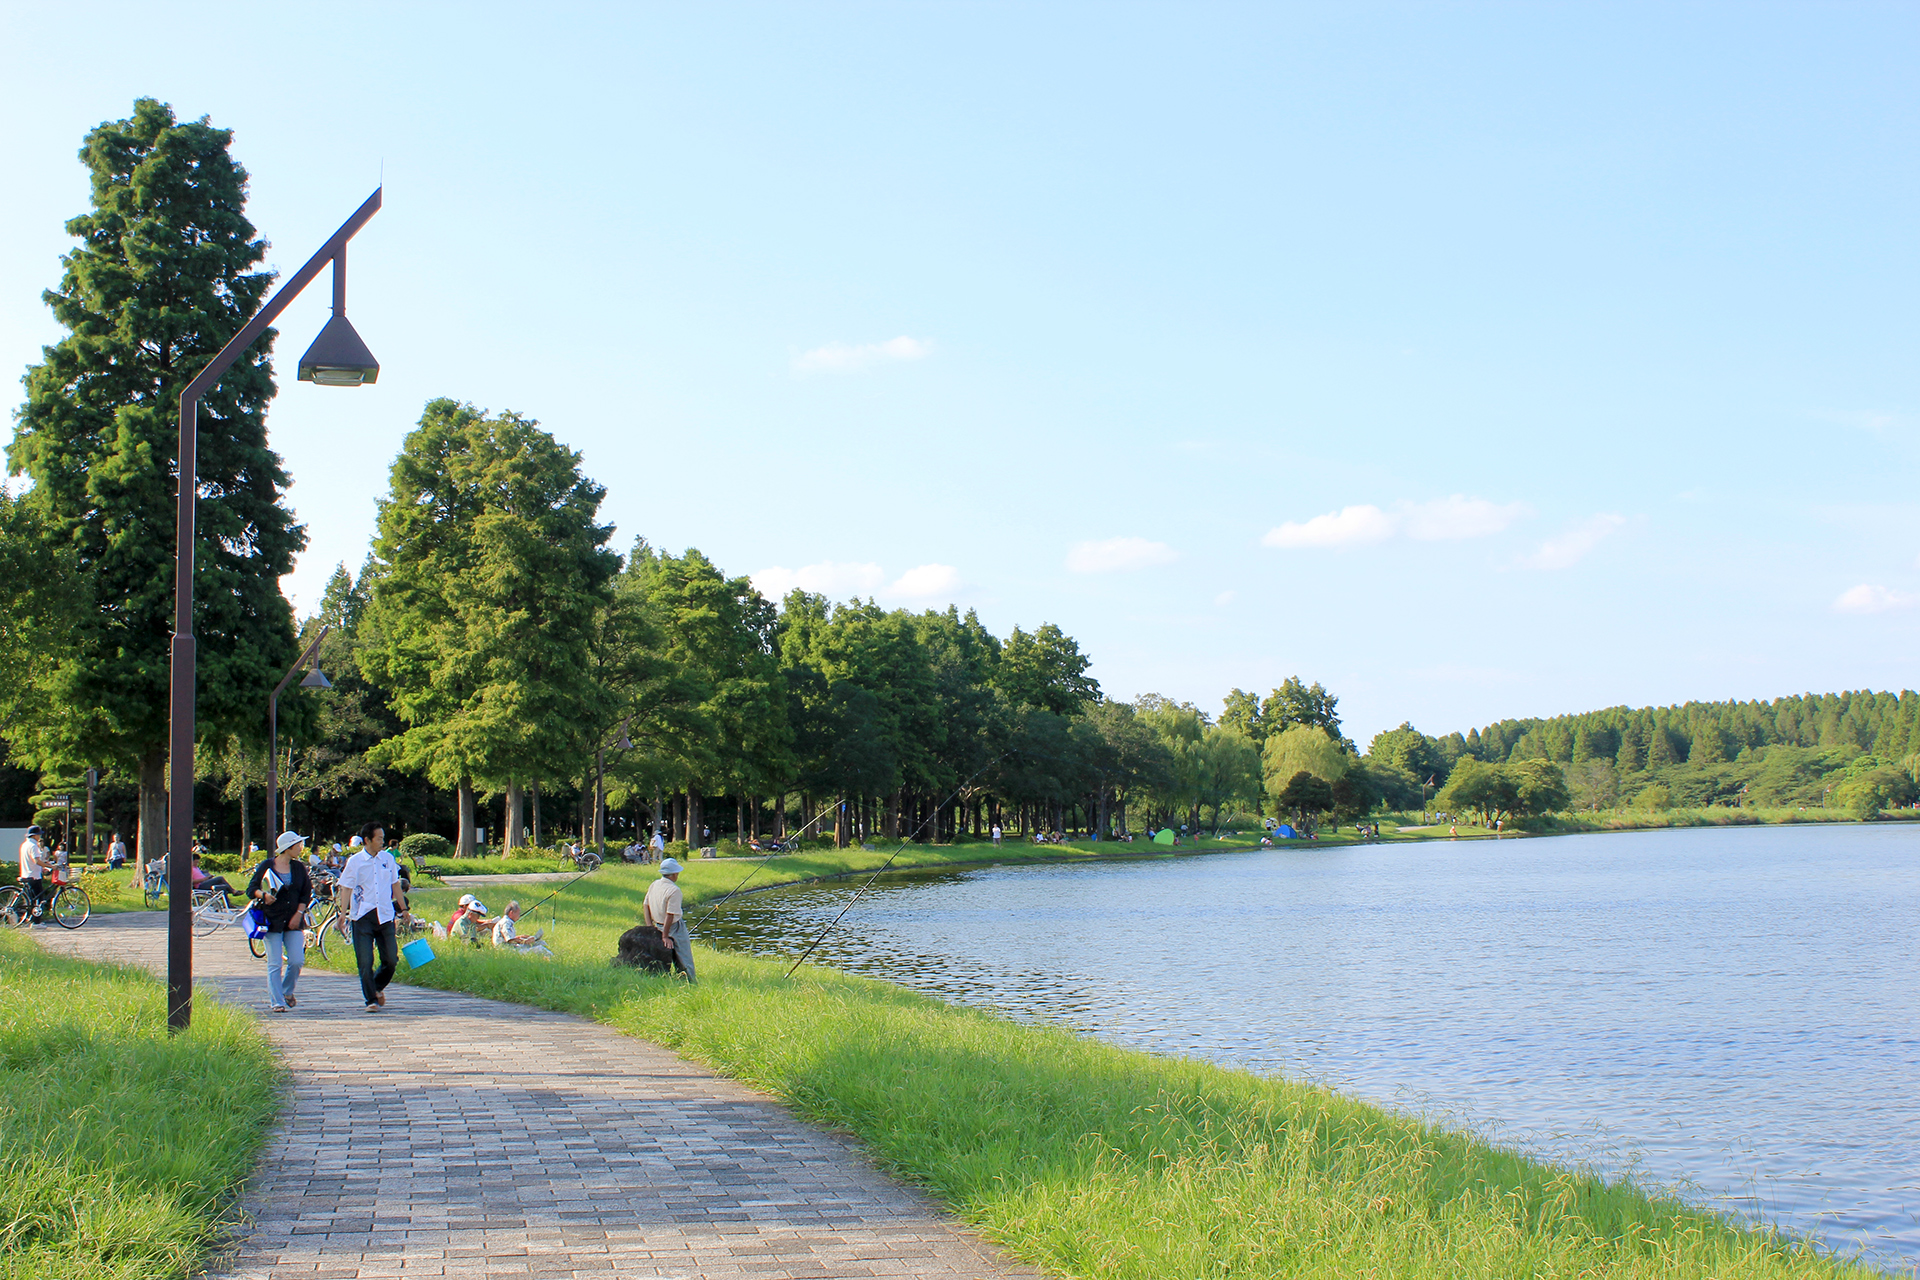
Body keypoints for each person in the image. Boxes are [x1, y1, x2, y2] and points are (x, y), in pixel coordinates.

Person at [336, 822, 404, 1012]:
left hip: (384, 915)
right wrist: (343, 913)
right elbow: (346, 887)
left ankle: (376, 987)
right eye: (379, 838)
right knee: (365, 962)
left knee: (391, 960)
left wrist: (403, 909)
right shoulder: (355, 861)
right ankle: (371, 1000)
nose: (383, 842)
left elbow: (395, 884)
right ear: (367, 840)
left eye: (383, 838)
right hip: (362, 916)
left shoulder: (387, 859)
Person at [248, 832, 314, 1013]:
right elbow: (251, 889)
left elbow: (305, 893)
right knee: (275, 963)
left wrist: (299, 914)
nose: (301, 848)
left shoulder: (299, 867)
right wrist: (264, 895)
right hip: (272, 921)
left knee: (296, 960)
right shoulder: (267, 865)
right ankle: (277, 1001)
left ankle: (287, 991)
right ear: (288, 847)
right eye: (298, 845)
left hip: (293, 920)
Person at [643, 858, 694, 980]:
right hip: (673, 927)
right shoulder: (674, 890)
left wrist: (650, 926)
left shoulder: (654, 884)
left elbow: (646, 905)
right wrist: (665, 936)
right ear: (674, 874)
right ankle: (689, 981)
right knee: (684, 956)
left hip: (657, 925)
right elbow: (670, 915)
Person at [16, 826, 48, 921]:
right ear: (34, 836)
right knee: (39, 900)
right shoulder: (34, 846)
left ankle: (30, 918)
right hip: (34, 876)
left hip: (26, 874)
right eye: (39, 834)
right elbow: (36, 861)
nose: (40, 836)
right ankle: (36, 922)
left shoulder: (24, 845)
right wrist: (51, 867)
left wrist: (42, 869)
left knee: (31, 900)